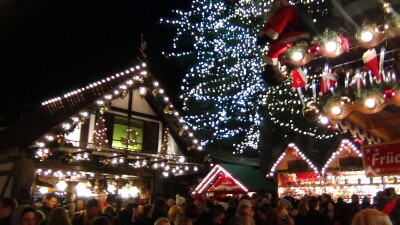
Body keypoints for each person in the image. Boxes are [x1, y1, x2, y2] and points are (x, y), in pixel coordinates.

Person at [256, 0, 315, 85]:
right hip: (298, 36)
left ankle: (273, 34)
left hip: (297, 31)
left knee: (285, 15)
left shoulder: (287, 10)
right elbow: (280, 43)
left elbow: (277, 46)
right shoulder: (280, 14)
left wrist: (265, 35)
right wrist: (265, 35)